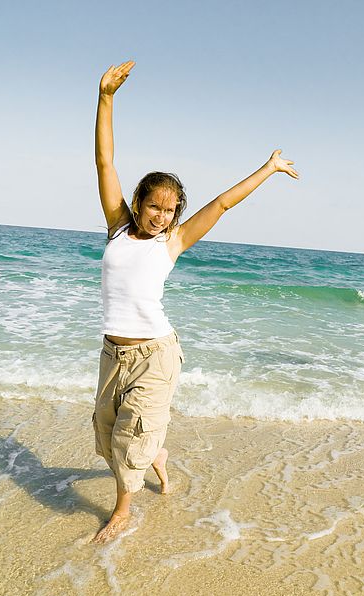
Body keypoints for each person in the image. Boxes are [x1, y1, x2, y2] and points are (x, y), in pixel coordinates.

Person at [90, 60, 299, 543]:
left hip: (155, 356)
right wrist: (106, 97)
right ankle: (157, 457)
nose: (161, 217)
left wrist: (268, 168)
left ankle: (122, 510)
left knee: (128, 439)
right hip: (112, 354)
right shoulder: (117, 228)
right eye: (153, 206)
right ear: (138, 202)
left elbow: (223, 203)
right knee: (107, 434)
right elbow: (105, 163)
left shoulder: (173, 242)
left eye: (169, 210)